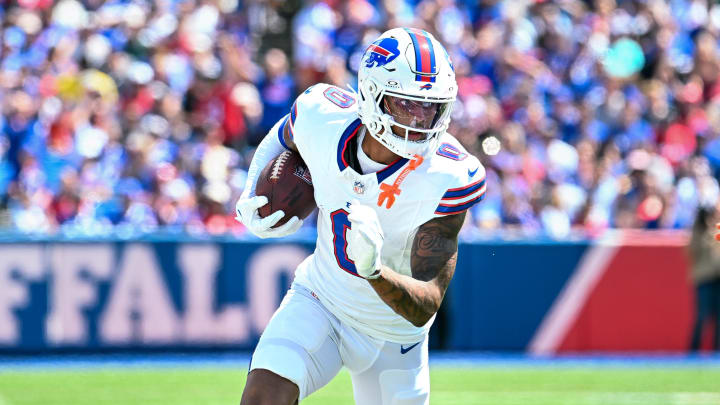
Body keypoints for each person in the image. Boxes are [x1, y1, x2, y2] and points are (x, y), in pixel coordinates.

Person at [234, 28, 485, 405]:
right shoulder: (324, 115)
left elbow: (426, 304)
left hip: (394, 335)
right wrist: (251, 189)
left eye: (431, 106)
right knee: (263, 398)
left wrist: (374, 272)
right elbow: (285, 134)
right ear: (372, 95)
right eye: (407, 104)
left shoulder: (448, 175)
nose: (420, 119)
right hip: (320, 298)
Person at [688, 206, 720, 351]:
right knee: (702, 316)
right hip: (704, 279)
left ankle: (717, 349)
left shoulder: (717, 231)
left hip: (717, 278)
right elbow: (691, 251)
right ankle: (694, 350)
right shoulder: (698, 233)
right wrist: (699, 228)